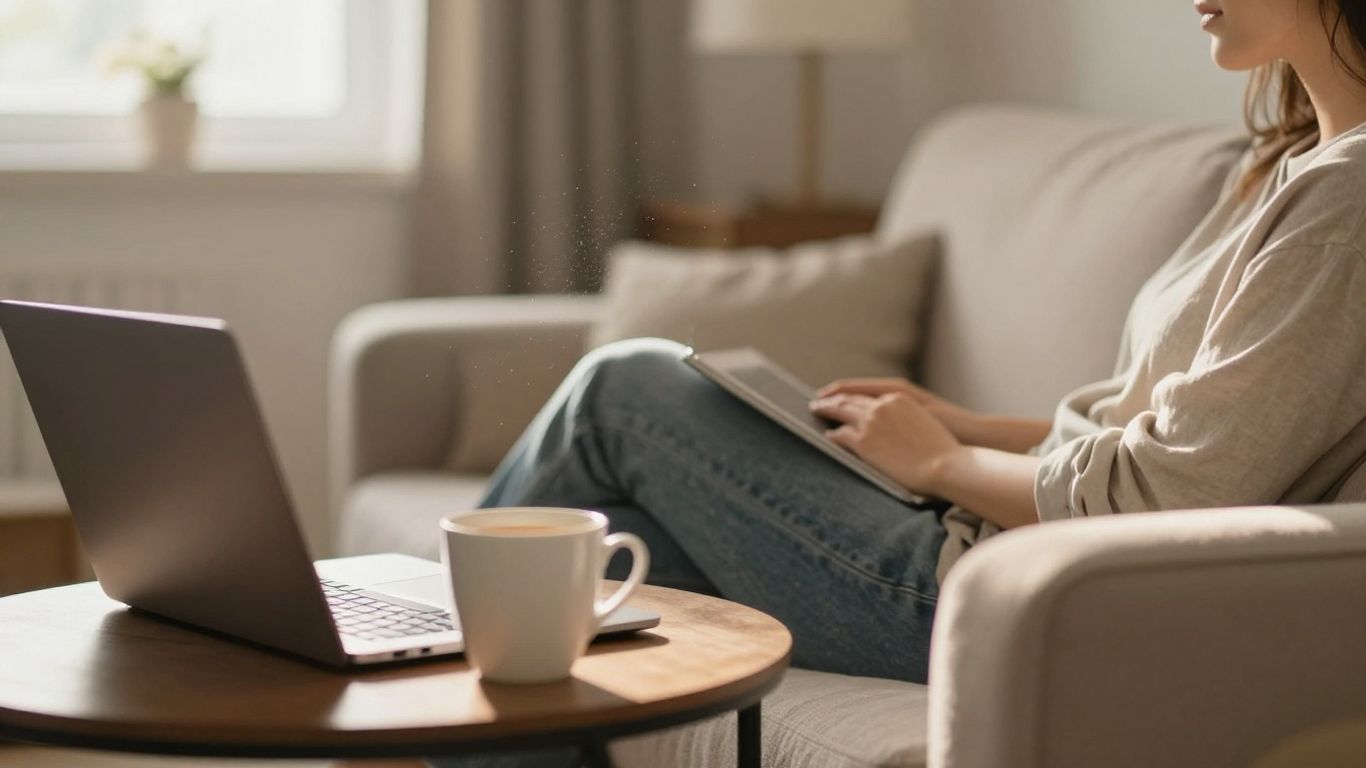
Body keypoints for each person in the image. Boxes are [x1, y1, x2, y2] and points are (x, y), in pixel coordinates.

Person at [478, 0, 1366, 687]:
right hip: (999, 541)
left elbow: (1166, 499)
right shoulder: (1290, 164)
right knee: (595, 564)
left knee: (623, 393)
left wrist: (942, 463)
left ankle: (409, 662)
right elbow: (1168, 436)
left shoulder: (1346, 202)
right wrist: (965, 427)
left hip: (1012, 592)